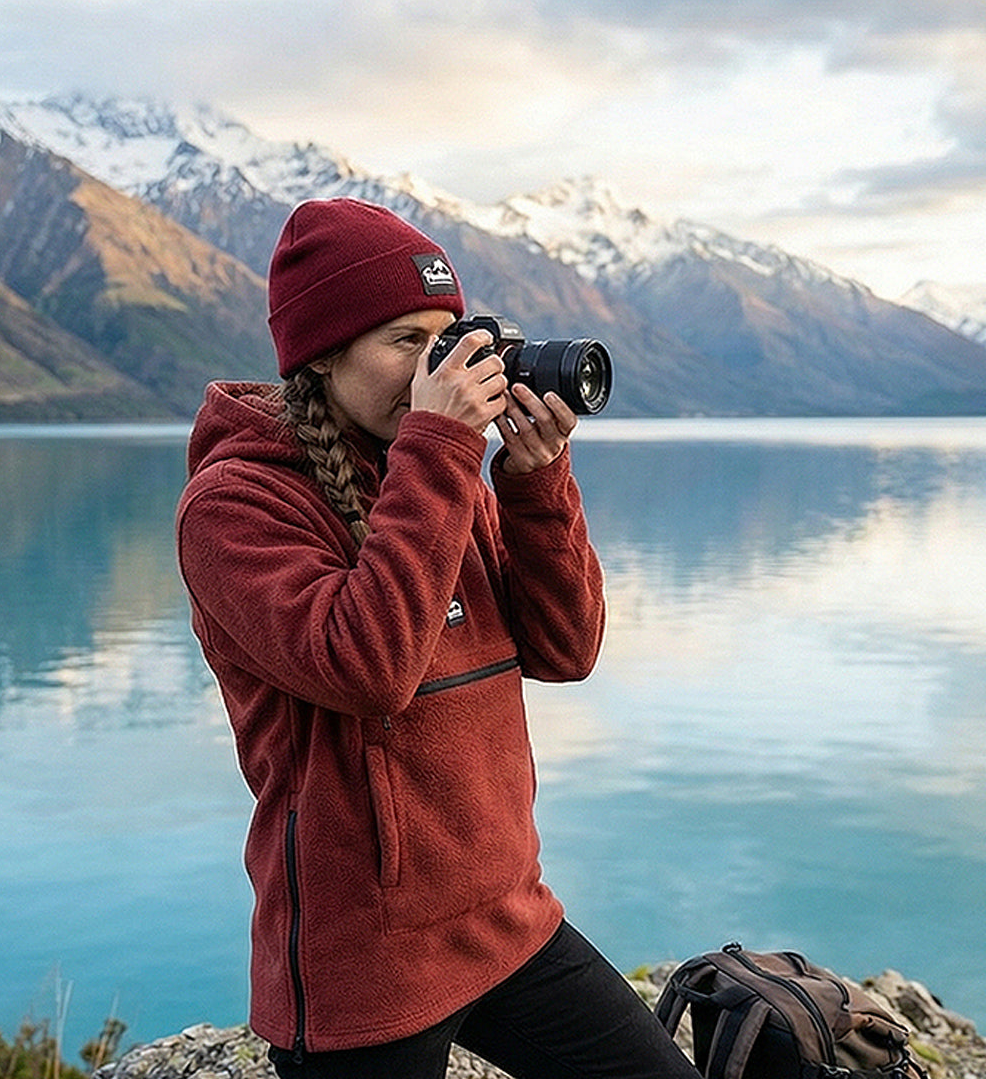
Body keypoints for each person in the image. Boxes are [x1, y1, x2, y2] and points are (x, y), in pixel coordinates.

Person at [175, 197, 699, 1079]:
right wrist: (443, 447)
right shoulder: (234, 506)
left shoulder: (435, 475)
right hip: (364, 963)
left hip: (506, 921)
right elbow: (368, 666)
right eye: (406, 342)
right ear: (323, 355)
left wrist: (535, 481)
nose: (441, 368)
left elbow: (568, 650)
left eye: (447, 338)